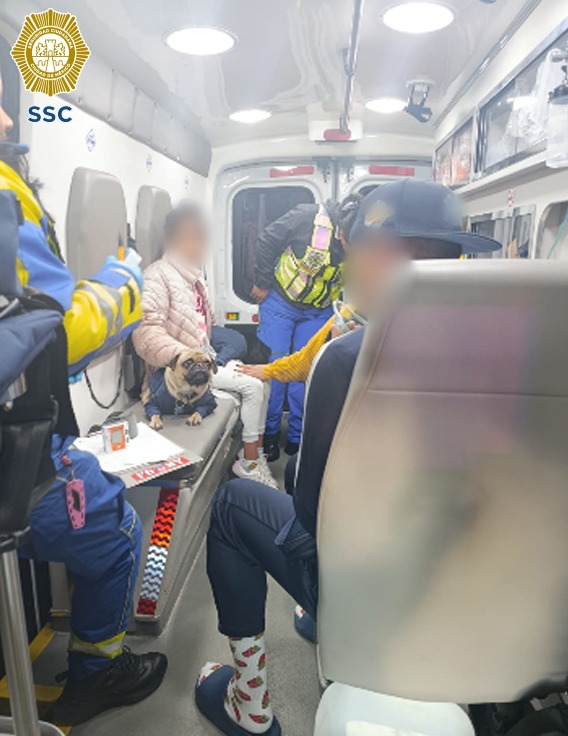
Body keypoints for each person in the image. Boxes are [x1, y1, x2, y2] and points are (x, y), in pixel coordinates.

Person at [194, 179, 501, 736]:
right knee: (310, 485)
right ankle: (320, 620)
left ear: (382, 256)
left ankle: (249, 703)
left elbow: (312, 516)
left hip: (372, 590)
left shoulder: (349, 358)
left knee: (233, 505)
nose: (347, 267)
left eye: (354, 251)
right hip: (470, 583)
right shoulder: (505, 346)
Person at [0, 74, 168, 726]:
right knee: (119, 531)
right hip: (16, 468)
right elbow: (53, 333)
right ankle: (98, 674)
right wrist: (123, 282)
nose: (10, 120)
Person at [132, 202, 277, 488]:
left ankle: (253, 455)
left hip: (204, 360)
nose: (198, 245)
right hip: (179, 375)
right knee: (252, 387)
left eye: (201, 237)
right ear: (171, 240)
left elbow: (203, 328)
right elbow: (146, 332)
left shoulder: (194, 277)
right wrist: (185, 358)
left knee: (264, 380)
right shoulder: (156, 276)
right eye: (190, 237)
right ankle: (248, 464)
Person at [252, 194, 362, 462]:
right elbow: (267, 239)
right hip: (280, 302)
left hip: (317, 310)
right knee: (276, 369)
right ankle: (269, 436)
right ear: (340, 232)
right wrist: (262, 283)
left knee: (307, 373)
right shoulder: (306, 216)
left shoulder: (366, 238)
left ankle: (297, 438)